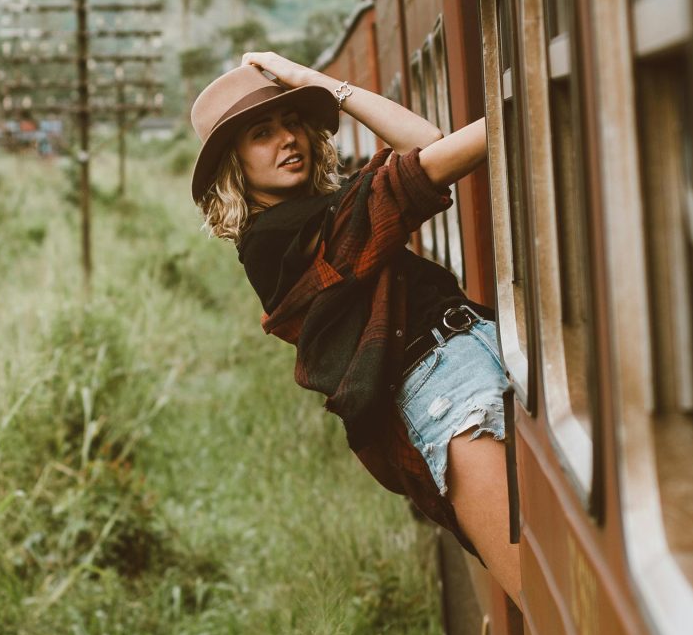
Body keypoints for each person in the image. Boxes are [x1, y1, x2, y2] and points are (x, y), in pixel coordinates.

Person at [188, 50, 519, 595]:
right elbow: (424, 167)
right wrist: (526, 99)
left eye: (293, 120)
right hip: (445, 393)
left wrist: (313, 82)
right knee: (544, 594)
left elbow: (423, 139)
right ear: (235, 164)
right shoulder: (270, 243)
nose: (288, 138)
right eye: (263, 134)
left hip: (487, 343)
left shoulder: (333, 204)